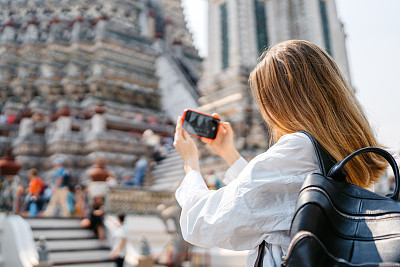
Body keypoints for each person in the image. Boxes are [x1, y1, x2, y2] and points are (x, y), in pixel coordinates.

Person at [172, 40, 388, 267]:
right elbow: (279, 196)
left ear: (280, 103)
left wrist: (191, 166)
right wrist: (229, 154)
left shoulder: (298, 148)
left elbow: (201, 223)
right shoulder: (343, 152)